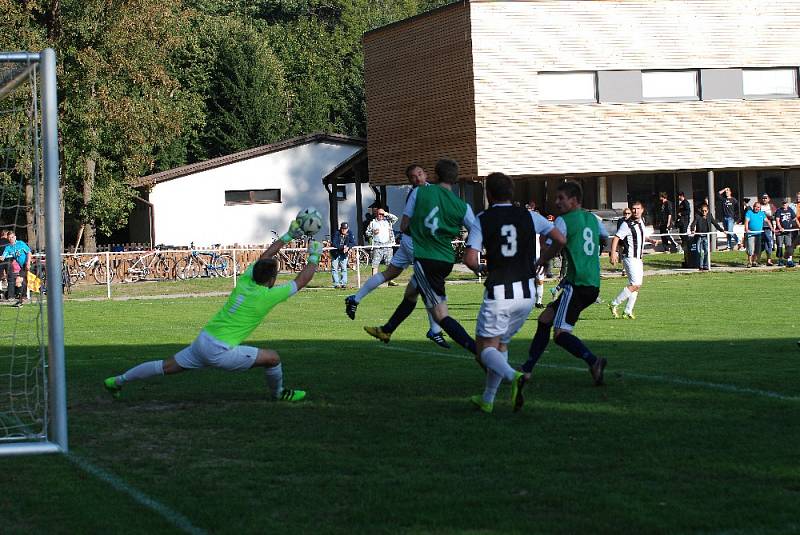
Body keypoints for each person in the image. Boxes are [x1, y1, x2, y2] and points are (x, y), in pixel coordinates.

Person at [103, 217, 321, 402]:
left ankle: (117, 381)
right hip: (220, 351)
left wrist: (288, 236)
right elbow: (301, 280)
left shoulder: (246, 280)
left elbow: (265, 258)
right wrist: (314, 255)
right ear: (272, 279)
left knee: (165, 366)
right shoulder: (266, 296)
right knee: (273, 358)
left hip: (204, 341)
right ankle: (279, 394)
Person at [463, 172, 565, 413]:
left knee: (483, 349)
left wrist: (480, 267)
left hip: (500, 291)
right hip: (528, 292)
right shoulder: (530, 216)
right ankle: (488, 399)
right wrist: (543, 258)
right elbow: (560, 239)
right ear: (512, 193)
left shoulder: (483, 218)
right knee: (500, 345)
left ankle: (513, 376)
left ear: (488, 194)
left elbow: (469, 258)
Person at [363, 159, 479, 355]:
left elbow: (404, 225)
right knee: (410, 292)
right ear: (455, 179)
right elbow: (476, 231)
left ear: (434, 175)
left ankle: (479, 351)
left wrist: (420, 228)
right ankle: (387, 330)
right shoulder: (463, 206)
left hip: (427, 260)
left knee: (441, 315)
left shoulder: (420, 192)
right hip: (446, 259)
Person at [518, 181, 609, 403]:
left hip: (576, 284)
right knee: (544, 319)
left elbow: (555, 243)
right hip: (592, 283)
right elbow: (604, 238)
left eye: (561, 198)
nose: (557, 202)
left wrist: (542, 258)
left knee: (560, 334)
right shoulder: (592, 218)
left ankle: (593, 360)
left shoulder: (564, 220)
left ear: (575, 200)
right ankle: (528, 368)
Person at [345, 164, 449, 348]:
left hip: (412, 242)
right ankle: (435, 330)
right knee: (428, 285)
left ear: (425, 174)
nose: (417, 178)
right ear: (410, 180)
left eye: (419, 174)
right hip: (415, 243)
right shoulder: (416, 194)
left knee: (391, 273)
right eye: (413, 176)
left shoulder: (432, 191)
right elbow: (405, 224)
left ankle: (355, 298)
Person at [608, 201, 647, 319]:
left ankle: (628, 311)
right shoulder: (627, 224)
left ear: (642, 210)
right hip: (630, 257)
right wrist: (613, 253)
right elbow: (616, 238)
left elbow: (641, 235)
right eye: (633, 209)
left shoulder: (642, 222)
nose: (635, 211)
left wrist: (650, 240)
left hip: (638, 258)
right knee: (635, 284)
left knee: (636, 285)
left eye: (638, 208)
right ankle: (614, 303)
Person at [366, 208, 398, 282]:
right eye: (379, 214)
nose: (380, 215)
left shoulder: (388, 221)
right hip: (378, 246)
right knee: (375, 264)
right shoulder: (373, 223)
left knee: (389, 264)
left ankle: (390, 280)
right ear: (376, 214)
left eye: (382, 214)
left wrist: (386, 214)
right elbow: (367, 233)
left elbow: (395, 218)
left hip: (388, 245)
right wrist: (373, 232)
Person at [690, 204, 725, 271]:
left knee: (706, 251)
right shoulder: (697, 216)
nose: (704, 212)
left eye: (705, 211)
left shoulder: (709, 216)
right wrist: (692, 230)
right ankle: (701, 266)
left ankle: (705, 265)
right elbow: (693, 224)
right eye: (702, 211)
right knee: (699, 252)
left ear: (708, 211)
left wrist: (722, 230)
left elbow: (715, 223)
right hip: (699, 236)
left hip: (706, 236)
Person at [1, 231, 31, 306]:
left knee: (18, 281)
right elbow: (3, 256)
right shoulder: (8, 247)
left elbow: (29, 252)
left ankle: (21, 299)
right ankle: (23, 297)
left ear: (15, 237)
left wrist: (28, 263)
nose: (11, 239)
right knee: (20, 283)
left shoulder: (20, 243)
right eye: (9, 238)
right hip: (21, 266)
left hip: (26, 264)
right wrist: (2, 257)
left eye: (12, 237)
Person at [744, 201, 773, 267]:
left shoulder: (762, 213)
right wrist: (746, 229)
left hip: (759, 234)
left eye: (758, 207)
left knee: (758, 249)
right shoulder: (749, 212)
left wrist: (771, 228)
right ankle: (749, 262)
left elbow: (767, 221)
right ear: (753, 207)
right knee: (750, 249)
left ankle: (754, 262)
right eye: (755, 207)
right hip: (751, 233)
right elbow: (746, 221)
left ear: (760, 208)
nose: (756, 208)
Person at [330, 222, 355, 288]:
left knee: (344, 268)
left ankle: (343, 283)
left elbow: (353, 242)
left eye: (345, 229)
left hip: (344, 253)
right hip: (335, 253)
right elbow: (334, 243)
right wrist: (343, 247)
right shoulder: (336, 233)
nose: (344, 230)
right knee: (334, 268)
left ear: (348, 228)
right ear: (340, 228)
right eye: (343, 228)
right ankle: (336, 283)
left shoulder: (350, 233)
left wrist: (348, 247)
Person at [774, 197, 797, 267]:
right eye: (783, 203)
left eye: (785, 203)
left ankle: (789, 260)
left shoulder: (790, 210)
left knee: (789, 246)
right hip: (780, 232)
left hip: (788, 231)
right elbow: (777, 221)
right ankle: (780, 260)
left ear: (787, 204)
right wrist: (780, 228)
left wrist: (799, 226)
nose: (784, 204)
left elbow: (795, 219)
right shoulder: (778, 211)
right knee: (780, 246)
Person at [717, 187, 741, 251]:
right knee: (727, 233)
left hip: (731, 218)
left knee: (730, 231)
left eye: (728, 191)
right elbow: (718, 194)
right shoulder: (723, 199)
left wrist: (736, 218)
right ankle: (729, 246)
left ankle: (738, 241)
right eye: (726, 192)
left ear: (730, 192)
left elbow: (737, 209)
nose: (727, 193)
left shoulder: (734, 200)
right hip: (724, 218)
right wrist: (724, 189)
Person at [759, 193, 777, 266]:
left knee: (769, 243)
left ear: (768, 199)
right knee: (759, 244)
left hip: (768, 227)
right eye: (763, 198)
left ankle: (769, 260)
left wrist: (771, 216)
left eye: (766, 198)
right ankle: (757, 260)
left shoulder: (771, 206)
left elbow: (776, 215)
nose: (764, 199)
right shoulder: (759, 206)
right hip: (760, 227)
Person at [676, 191, 692, 266]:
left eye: (679, 196)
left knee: (684, 233)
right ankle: (684, 246)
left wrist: (681, 213)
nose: (678, 198)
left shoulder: (685, 202)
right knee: (681, 233)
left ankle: (686, 246)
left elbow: (688, 211)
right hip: (681, 221)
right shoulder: (681, 203)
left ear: (681, 196)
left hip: (685, 220)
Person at [0, 230, 9, 299]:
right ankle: (9, 293)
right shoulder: (9, 242)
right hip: (8, 260)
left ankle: (1, 293)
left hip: (0, 260)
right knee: (10, 277)